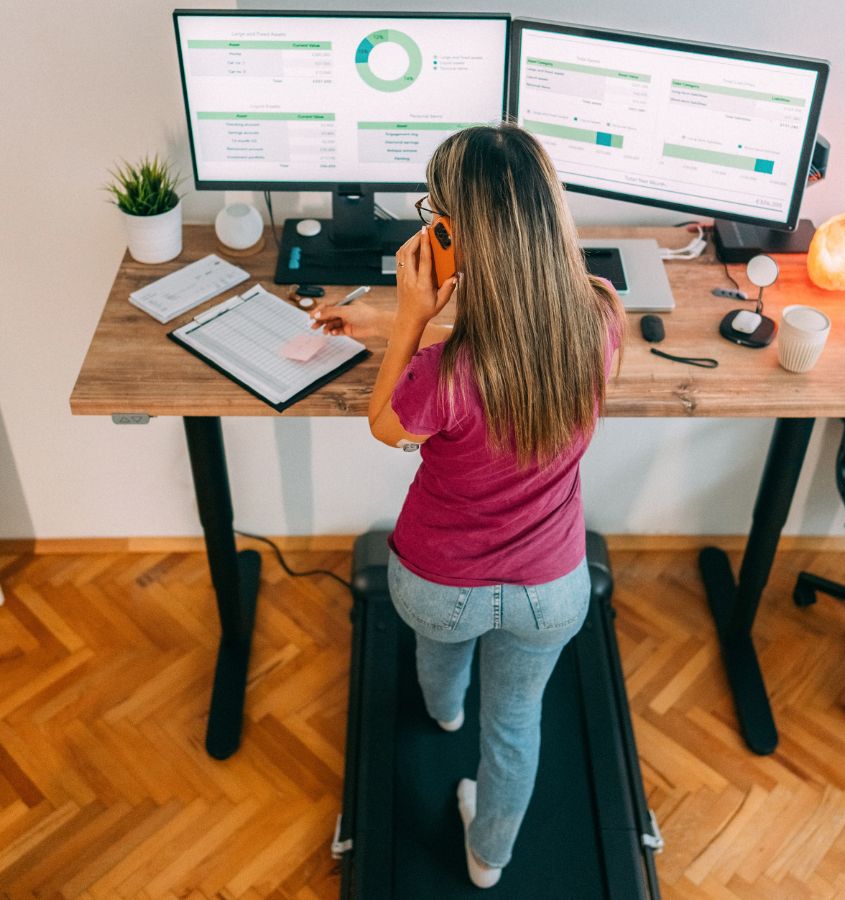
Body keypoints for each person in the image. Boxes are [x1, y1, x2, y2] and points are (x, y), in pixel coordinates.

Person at [309, 123, 623, 888]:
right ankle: (489, 858)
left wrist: (408, 318)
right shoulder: (601, 317)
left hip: (439, 586)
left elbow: (386, 424)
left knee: (440, 655)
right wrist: (394, 326)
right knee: (516, 725)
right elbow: (514, 328)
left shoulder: (440, 375)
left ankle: (443, 712)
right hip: (552, 591)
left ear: (453, 233)